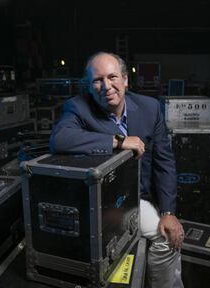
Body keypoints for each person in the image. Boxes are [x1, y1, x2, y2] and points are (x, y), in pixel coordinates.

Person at [49, 51, 184, 288]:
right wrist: (118, 141)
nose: (106, 86)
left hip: (138, 198)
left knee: (166, 237)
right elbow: (60, 139)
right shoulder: (77, 107)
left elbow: (165, 163)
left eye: (112, 77)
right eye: (97, 80)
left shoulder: (150, 108)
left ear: (125, 80)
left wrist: (168, 212)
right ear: (89, 86)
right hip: (101, 202)